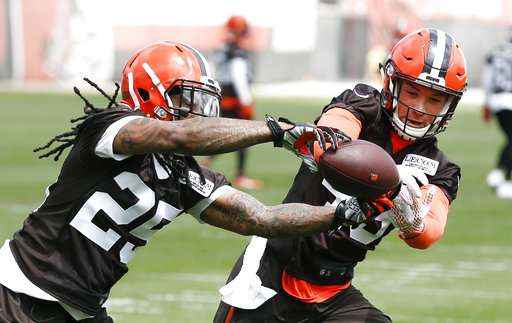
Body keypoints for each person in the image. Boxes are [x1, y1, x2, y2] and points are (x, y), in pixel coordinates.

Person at [0, 41, 387, 323]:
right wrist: (276, 131)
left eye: (200, 103)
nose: (195, 113)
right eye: (185, 99)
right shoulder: (109, 128)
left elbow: (261, 218)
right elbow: (179, 136)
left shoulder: (181, 174)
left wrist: (339, 214)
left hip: (80, 307)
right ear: (149, 91)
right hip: (19, 291)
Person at [214, 28, 467, 323]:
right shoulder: (362, 103)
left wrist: (412, 219)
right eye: (412, 92)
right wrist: (387, 179)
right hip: (271, 272)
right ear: (391, 83)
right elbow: (328, 146)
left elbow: (428, 234)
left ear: (449, 105)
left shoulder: (440, 167)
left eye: (435, 100)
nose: (419, 108)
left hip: (333, 290)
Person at [204, 15, 263, 190]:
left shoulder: (222, 48)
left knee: (221, 133)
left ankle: (206, 161)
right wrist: (246, 101)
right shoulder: (236, 51)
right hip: (236, 99)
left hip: (224, 95)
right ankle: (241, 174)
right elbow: (238, 77)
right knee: (244, 137)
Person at [482, 34, 512, 198]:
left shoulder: (497, 52)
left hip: (498, 101)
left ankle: (498, 174)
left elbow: (488, 79)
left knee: (510, 140)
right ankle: (504, 179)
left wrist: (486, 103)